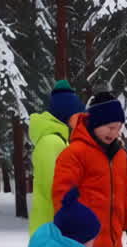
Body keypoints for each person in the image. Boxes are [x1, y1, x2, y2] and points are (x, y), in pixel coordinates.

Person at [51, 91, 127, 247]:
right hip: (83, 241)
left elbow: (125, 191)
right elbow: (62, 194)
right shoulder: (75, 153)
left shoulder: (119, 155)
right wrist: (72, 228)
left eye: (118, 128)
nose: (114, 132)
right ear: (95, 123)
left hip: (108, 239)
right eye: (109, 127)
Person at [28, 81, 87, 235]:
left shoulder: (61, 141)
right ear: (66, 114)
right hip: (50, 228)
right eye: (77, 115)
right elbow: (53, 186)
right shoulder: (50, 142)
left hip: (57, 225)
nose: (80, 119)